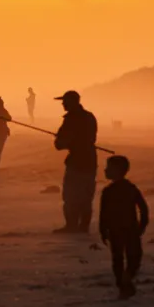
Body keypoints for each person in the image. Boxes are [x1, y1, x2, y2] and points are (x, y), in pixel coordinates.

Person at [99, 155, 149, 298]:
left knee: (119, 259)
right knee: (130, 258)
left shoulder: (110, 191)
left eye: (108, 168)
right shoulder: (129, 188)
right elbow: (144, 209)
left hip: (121, 230)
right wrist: (142, 225)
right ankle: (125, 283)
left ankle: (124, 283)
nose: (105, 170)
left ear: (118, 170)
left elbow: (104, 214)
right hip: (128, 229)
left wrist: (103, 230)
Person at [53, 90, 99, 233]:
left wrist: (64, 140)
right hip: (89, 160)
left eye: (64, 101)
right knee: (85, 196)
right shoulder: (89, 117)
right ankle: (82, 227)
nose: (62, 104)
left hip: (76, 162)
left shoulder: (71, 119)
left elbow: (59, 144)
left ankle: (72, 226)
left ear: (71, 102)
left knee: (71, 195)